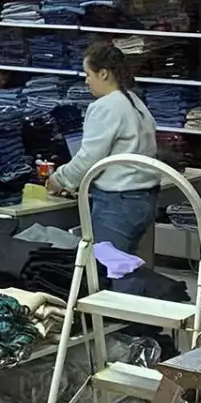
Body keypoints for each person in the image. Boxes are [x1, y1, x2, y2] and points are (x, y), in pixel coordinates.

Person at [46, 39, 160, 255]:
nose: (86, 81)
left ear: (104, 74)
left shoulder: (106, 106)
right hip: (144, 198)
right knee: (124, 263)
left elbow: (89, 158)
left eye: (88, 74)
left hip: (118, 202)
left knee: (107, 265)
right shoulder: (134, 101)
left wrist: (59, 179)